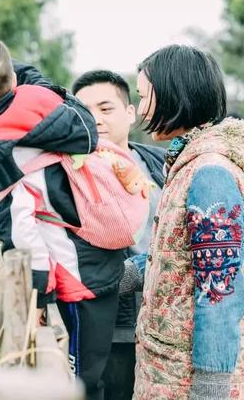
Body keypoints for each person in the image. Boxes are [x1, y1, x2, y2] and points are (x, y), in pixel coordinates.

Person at [0, 33, 141, 400]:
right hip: (105, 256)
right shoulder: (48, 103)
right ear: (14, 80)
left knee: (80, 382)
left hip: (77, 277)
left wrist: (37, 297)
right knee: (95, 373)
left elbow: (19, 227)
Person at [131, 44, 244, 399]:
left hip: (185, 381)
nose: (139, 111)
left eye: (143, 97)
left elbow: (219, 291)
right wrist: (127, 274)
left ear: (172, 95)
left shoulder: (210, 172)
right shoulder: (187, 161)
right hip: (167, 371)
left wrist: (211, 389)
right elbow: (182, 258)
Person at [72, 70, 165, 400]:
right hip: (109, 329)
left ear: (130, 113)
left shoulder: (164, 163)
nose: (95, 119)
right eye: (85, 110)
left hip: (163, 323)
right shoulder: (70, 170)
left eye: (106, 108)